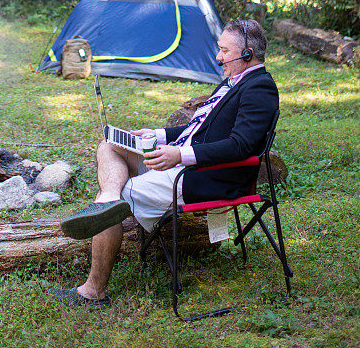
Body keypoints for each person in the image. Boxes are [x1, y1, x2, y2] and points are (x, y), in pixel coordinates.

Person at [49, 18, 279, 309]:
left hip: (208, 177)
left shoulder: (260, 88)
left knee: (118, 195)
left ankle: (93, 292)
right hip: (183, 163)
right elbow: (200, 128)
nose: (218, 57)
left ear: (247, 54)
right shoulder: (233, 80)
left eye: (224, 51)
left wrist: (179, 155)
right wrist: (156, 135)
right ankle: (108, 200)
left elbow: (240, 146)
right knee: (110, 145)